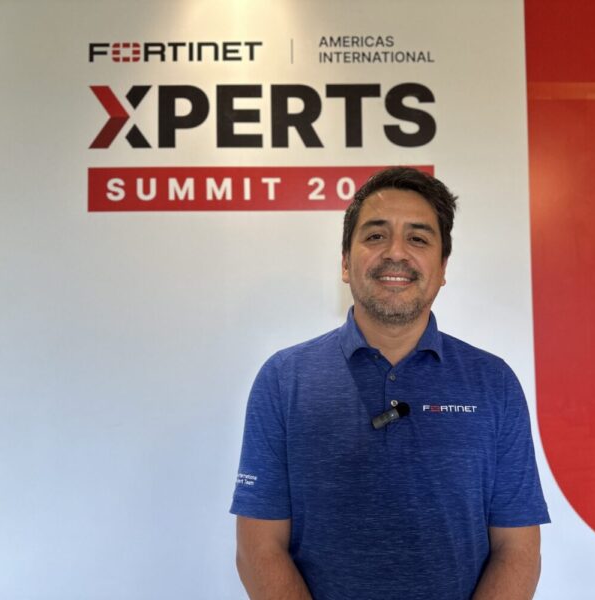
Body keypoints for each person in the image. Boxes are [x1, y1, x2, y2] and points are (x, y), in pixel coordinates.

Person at [230, 167, 550, 600]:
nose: (396, 252)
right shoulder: (284, 380)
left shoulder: (494, 384)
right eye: (376, 236)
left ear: (442, 267)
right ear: (346, 263)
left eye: (418, 238)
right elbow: (258, 549)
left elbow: (518, 550)